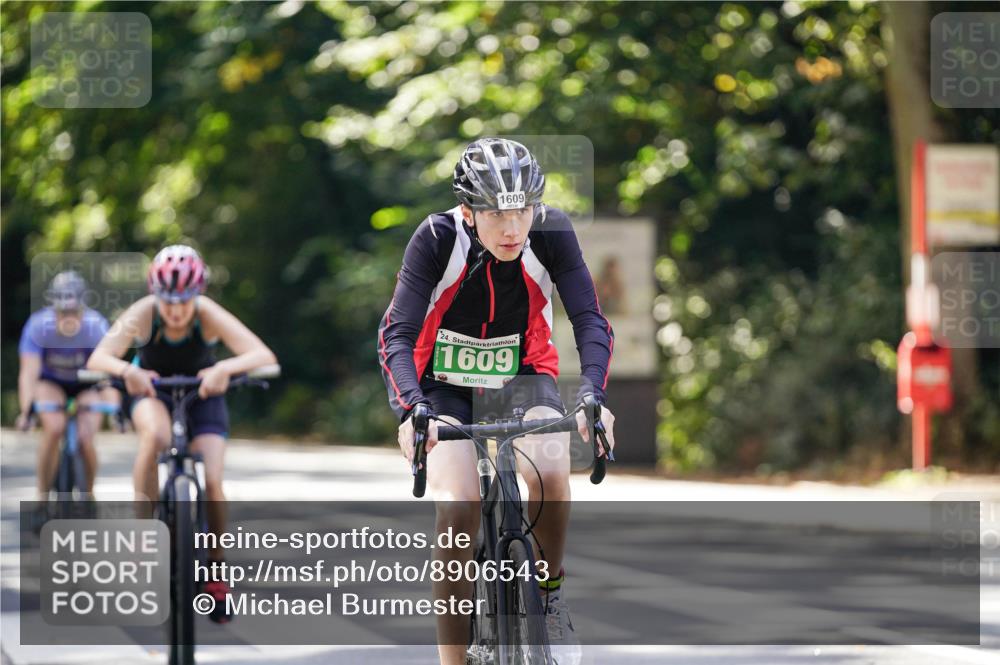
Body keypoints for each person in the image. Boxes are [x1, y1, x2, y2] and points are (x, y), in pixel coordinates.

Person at [378, 138, 617, 665]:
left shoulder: (550, 231)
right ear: (468, 210)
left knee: (552, 472)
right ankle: (453, 661)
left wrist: (594, 394)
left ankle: (549, 600)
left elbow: (589, 319)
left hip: (524, 374)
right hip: (441, 383)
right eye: (495, 214)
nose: (512, 228)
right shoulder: (437, 237)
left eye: (522, 211)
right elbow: (397, 332)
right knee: (458, 506)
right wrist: (411, 408)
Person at [87, 245, 277, 624]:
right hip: (151, 392)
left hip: (202, 394)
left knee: (213, 474)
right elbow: (99, 358)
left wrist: (225, 368)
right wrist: (128, 372)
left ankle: (217, 571)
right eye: (168, 301)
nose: (175, 311)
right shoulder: (143, 313)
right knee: (154, 436)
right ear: (156, 295)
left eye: (184, 302)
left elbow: (263, 356)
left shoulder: (206, 314)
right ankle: (143, 545)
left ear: (198, 296)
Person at [17, 270, 116, 501]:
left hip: (86, 383)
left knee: (85, 438)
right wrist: (26, 411)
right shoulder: (38, 326)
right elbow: (29, 374)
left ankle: (89, 495)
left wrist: (115, 411)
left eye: (74, 311)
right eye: (62, 312)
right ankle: (42, 497)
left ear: (83, 308)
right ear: (54, 308)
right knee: (53, 429)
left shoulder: (96, 326)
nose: (68, 318)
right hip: (51, 382)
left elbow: (108, 374)